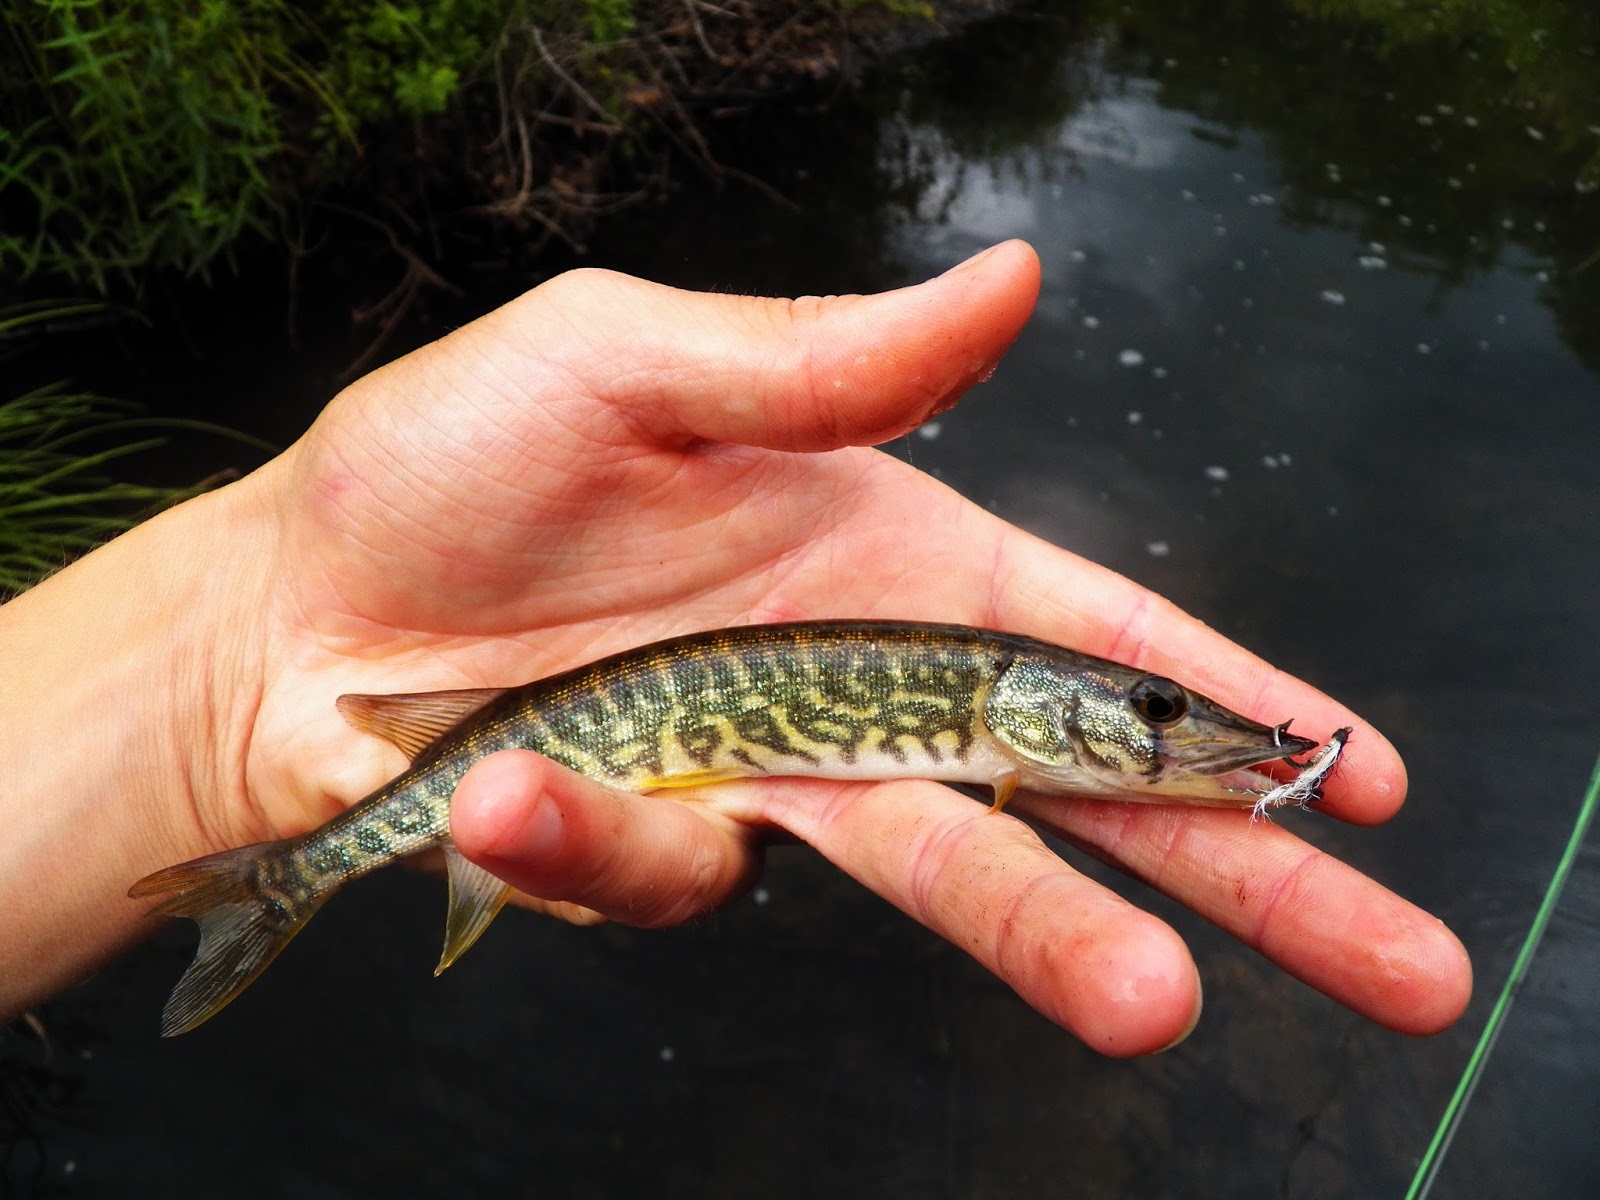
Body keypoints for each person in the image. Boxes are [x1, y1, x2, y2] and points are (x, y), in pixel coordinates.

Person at [0, 241, 1470, 1054]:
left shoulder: (1010, 722)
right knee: (497, 798)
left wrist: (220, 664)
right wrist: (247, 641)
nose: (1172, 728)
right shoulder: (1003, 706)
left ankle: (293, 868)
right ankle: (284, 880)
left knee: (517, 809)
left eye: (1153, 713)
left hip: (509, 738)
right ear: (1037, 711)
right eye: (1148, 710)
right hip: (498, 729)